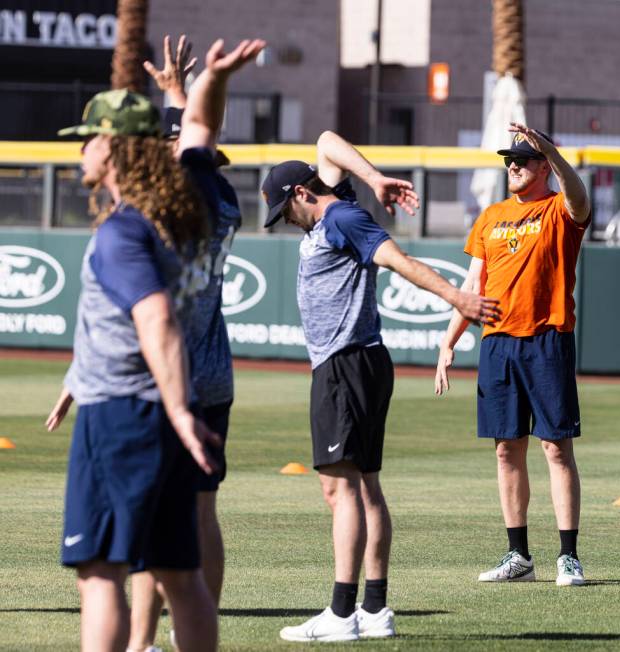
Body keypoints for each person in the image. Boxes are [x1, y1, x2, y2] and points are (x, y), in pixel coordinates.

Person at [263, 131, 501, 643]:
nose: (287, 221)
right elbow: (326, 142)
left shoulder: (341, 217)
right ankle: (375, 610)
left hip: (345, 365)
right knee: (364, 484)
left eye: (286, 211)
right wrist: (373, 179)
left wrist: (456, 298)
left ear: (301, 194)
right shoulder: (339, 203)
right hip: (359, 362)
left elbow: (396, 260)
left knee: (339, 487)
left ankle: (341, 613)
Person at [47, 87, 222, 652]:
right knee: (179, 574)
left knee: (99, 573)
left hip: (122, 418)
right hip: (164, 413)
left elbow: (156, 319)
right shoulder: (186, 205)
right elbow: (199, 131)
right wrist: (211, 80)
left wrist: (175, 408)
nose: (81, 153)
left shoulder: (123, 231)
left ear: (115, 148)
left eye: (89, 139)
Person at [126, 35, 263, 652]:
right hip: (216, 373)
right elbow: (198, 136)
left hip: (171, 374)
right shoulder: (224, 202)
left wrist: (200, 87)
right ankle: (194, 632)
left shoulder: (174, 203)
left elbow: (196, 134)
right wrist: (180, 92)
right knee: (202, 510)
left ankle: (142, 641)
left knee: (152, 513)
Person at [434, 124, 591, 587]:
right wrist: (448, 341)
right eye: (509, 160)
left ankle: (568, 556)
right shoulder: (490, 217)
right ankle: (518, 555)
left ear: (544, 167)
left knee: (556, 448)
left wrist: (554, 151)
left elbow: (579, 197)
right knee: (506, 449)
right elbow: (472, 285)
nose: (514, 166)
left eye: (523, 160)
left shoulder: (560, 209)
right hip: (497, 342)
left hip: (546, 338)